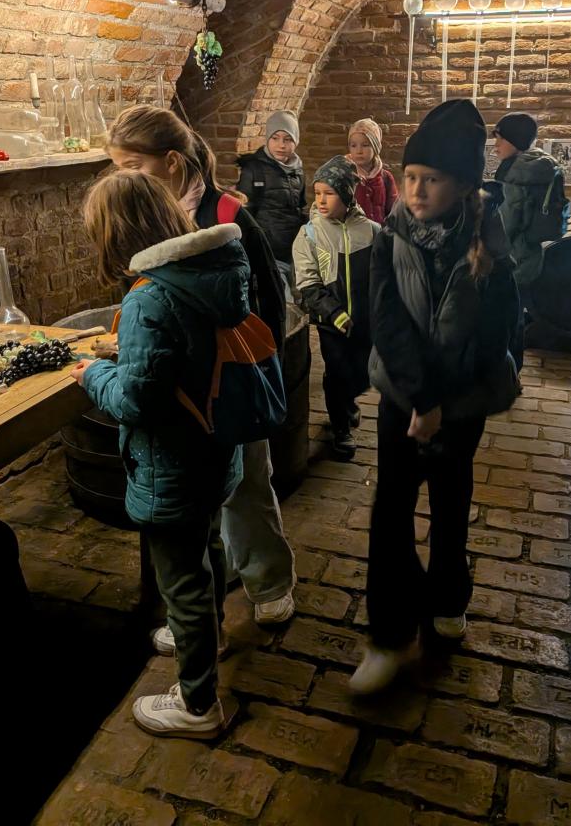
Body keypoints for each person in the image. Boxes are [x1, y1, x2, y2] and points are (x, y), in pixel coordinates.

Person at [350, 99, 520, 695]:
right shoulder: (390, 237)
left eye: (433, 180)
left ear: (465, 186)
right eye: (412, 177)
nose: (417, 191)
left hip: (462, 402)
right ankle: (389, 633)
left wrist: (445, 403)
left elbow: (494, 337)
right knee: (391, 512)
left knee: (450, 502)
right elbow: (386, 321)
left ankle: (448, 597)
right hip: (403, 396)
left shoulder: (489, 251)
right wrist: (421, 400)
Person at [73, 171, 249, 738]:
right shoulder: (208, 274)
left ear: (117, 234)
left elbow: (136, 401)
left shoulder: (150, 298)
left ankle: (198, 705)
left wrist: (93, 373)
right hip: (214, 450)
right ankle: (209, 636)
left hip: (172, 463)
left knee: (182, 582)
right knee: (209, 549)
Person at [106, 106, 296, 630]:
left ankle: (269, 582)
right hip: (183, 393)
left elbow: (269, 306)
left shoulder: (229, 214)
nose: (124, 178)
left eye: (132, 166)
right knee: (195, 505)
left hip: (230, 379)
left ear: (171, 161)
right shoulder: (146, 217)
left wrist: (258, 380)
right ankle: (200, 611)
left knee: (247, 488)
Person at [292, 155, 378, 460]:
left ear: (346, 194)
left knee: (363, 373)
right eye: (317, 193)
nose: (321, 200)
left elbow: (383, 277)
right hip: (332, 324)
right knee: (338, 373)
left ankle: (347, 402)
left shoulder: (372, 231)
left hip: (365, 322)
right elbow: (308, 283)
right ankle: (341, 429)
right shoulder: (310, 235)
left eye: (329, 193)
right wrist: (334, 312)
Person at [493, 112, 569, 369]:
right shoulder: (541, 165)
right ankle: (513, 374)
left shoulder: (516, 173)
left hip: (509, 259)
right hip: (530, 256)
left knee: (501, 323)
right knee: (516, 319)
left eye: (500, 138)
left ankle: (502, 375)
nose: (495, 145)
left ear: (516, 140)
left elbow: (505, 225)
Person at [237, 109, 307, 298]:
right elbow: (244, 213)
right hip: (267, 250)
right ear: (267, 138)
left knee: (297, 299)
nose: (281, 145)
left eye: (288, 139)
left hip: (293, 251)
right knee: (282, 300)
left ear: (296, 142)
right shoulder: (254, 169)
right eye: (275, 138)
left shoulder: (298, 171)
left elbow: (300, 208)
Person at [346, 117, 398, 225]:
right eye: (353, 145)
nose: (359, 151)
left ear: (375, 147)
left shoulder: (385, 177)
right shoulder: (344, 175)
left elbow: (394, 212)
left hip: (380, 233)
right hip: (354, 233)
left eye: (365, 145)